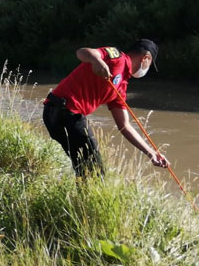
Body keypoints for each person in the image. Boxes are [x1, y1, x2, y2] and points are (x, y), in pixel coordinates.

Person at [42, 40, 169, 177]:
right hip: (64, 111)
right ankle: (87, 196)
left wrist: (151, 153)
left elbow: (125, 126)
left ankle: (81, 196)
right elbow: (82, 52)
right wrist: (96, 60)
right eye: (149, 65)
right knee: (94, 171)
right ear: (146, 58)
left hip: (62, 115)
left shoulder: (120, 88)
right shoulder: (117, 57)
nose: (146, 69)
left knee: (87, 168)